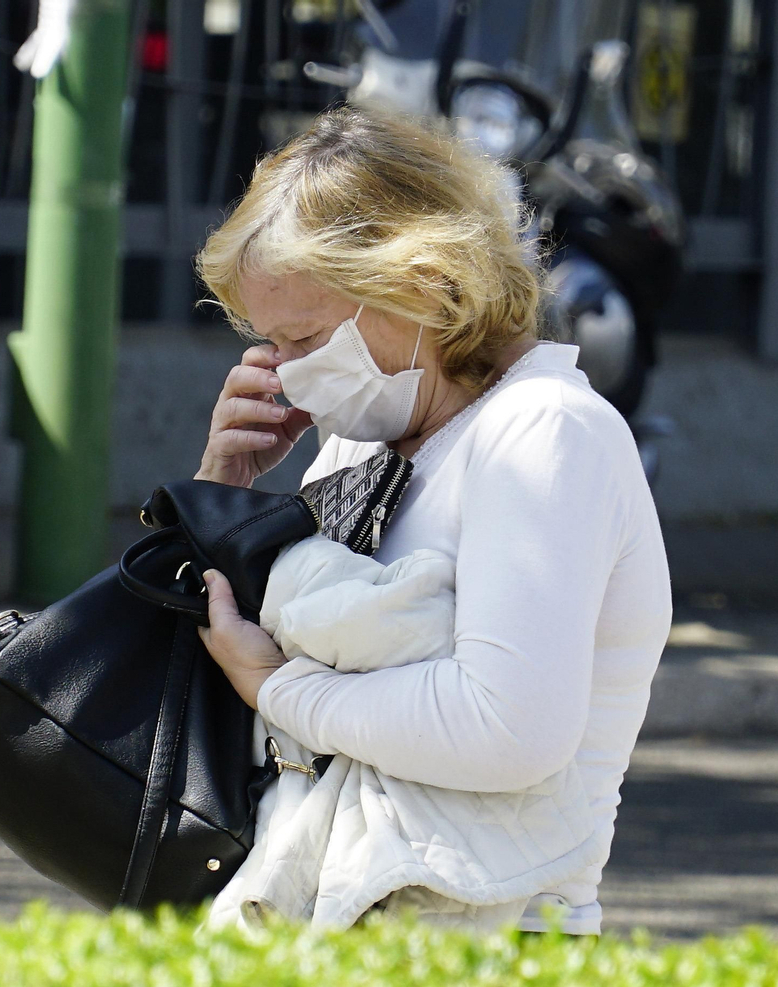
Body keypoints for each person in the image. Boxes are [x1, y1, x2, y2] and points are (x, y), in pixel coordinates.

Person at [191, 106, 671, 935]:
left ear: (426, 284)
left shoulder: (543, 433)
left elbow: (506, 728)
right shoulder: (362, 446)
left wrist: (281, 686)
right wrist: (219, 499)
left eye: (302, 336)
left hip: (491, 931)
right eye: (269, 344)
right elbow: (223, 677)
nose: (287, 376)